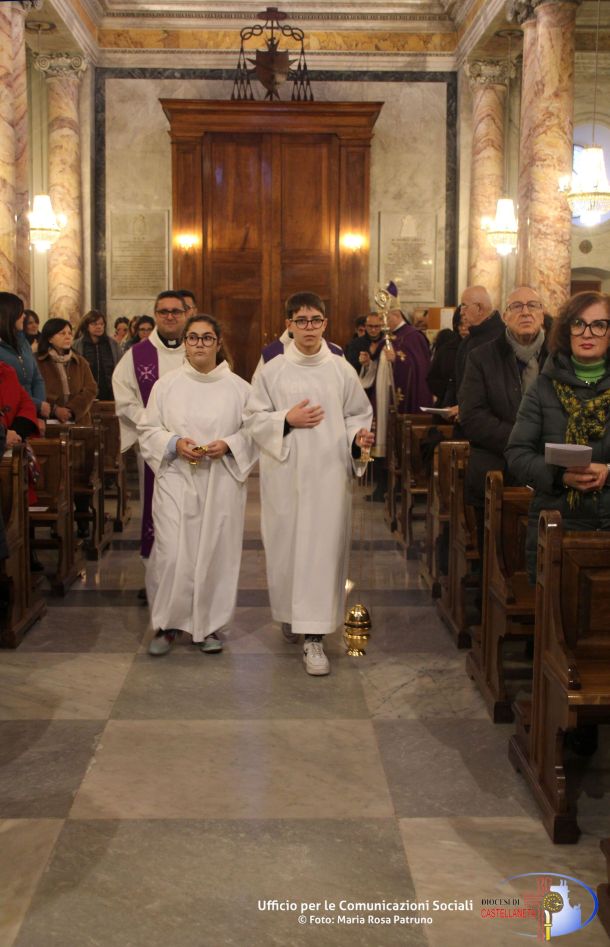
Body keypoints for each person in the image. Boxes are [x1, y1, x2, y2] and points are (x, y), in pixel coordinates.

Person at [245, 291, 374, 677]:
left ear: (325, 323)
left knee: (321, 552)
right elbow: (252, 418)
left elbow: (357, 414)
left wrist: (358, 440)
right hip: (285, 475)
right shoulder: (272, 369)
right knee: (286, 549)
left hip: (329, 477)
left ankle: (314, 637)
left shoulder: (341, 368)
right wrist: (286, 420)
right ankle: (291, 614)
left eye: (315, 320)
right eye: (300, 321)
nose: (308, 328)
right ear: (288, 324)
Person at [139, 315, 257, 657]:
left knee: (215, 555)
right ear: (185, 344)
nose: (200, 344)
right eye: (193, 338)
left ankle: (208, 626)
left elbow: (254, 432)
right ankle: (168, 625)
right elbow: (148, 430)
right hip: (176, 480)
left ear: (218, 343)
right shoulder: (166, 386)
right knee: (173, 554)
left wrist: (229, 444)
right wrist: (174, 443)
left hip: (221, 482)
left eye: (207, 338)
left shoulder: (240, 389)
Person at [505, 291, 610, 584]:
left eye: (599, 325)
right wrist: (559, 476)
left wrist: (607, 471)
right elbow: (517, 453)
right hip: (558, 525)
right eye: (578, 324)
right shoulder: (543, 389)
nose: (587, 333)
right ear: (566, 330)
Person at [459, 286, 548, 554]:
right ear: (505, 316)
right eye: (517, 306)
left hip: (549, 474)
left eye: (532, 306)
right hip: (497, 470)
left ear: (542, 314)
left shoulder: (560, 357)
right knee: (496, 555)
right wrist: (523, 442)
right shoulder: (482, 357)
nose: (525, 312)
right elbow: (472, 417)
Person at [112, 291, 187, 562]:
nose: (170, 316)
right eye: (164, 311)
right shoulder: (137, 355)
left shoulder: (199, 348)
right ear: (156, 315)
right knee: (156, 508)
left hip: (195, 442)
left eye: (176, 311)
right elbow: (124, 400)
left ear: (186, 314)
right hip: (156, 447)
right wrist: (154, 424)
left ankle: (191, 569)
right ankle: (157, 571)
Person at [443, 285, 503, 419]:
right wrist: (448, 405)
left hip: (487, 422)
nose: (461, 312)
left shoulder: (501, 340)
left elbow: (497, 389)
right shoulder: (468, 340)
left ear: (479, 308)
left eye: (464, 306)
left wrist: (465, 408)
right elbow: (457, 379)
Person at [36, 319, 97, 425]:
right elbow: (36, 391)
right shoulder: (38, 361)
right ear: (50, 338)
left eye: (69, 333)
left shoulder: (80, 361)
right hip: (48, 421)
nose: (68, 337)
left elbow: (91, 389)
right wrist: (55, 410)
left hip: (78, 420)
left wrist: (71, 409)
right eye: (62, 333)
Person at [0, 293, 49, 423]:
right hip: (9, 417)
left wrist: (39, 411)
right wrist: (37, 405)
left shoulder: (23, 343)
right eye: (21, 312)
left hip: (31, 414)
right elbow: (6, 389)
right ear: (9, 314)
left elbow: (37, 378)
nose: (24, 316)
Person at [73, 310, 122, 402]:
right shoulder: (77, 345)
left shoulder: (113, 344)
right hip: (85, 392)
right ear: (87, 326)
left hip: (109, 391)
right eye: (94, 324)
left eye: (101, 324)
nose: (99, 327)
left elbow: (120, 367)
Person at [427, 307, 466, 404]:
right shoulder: (446, 349)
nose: (463, 328)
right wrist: (449, 393)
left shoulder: (482, 347)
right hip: (448, 403)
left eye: (466, 324)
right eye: (460, 324)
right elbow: (432, 378)